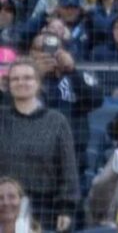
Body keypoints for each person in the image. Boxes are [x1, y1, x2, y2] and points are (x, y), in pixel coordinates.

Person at [0, 59, 78, 231]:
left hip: (45, 208)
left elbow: (68, 169)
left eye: (27, 78)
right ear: (9, 85)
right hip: (4, 207)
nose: (21, 82)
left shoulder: (57, 121)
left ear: (38, 83)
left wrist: (66, 209)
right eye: (15, 79)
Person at [28, 31, 104, 172]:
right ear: (31, 54)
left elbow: (96, 100)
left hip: (73, 159)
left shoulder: (76, 76)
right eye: (41, 49)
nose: (48, 54)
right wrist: (36, 76)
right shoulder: (21, 79)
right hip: (33, 160)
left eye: (54, 49)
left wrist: (72, 71)